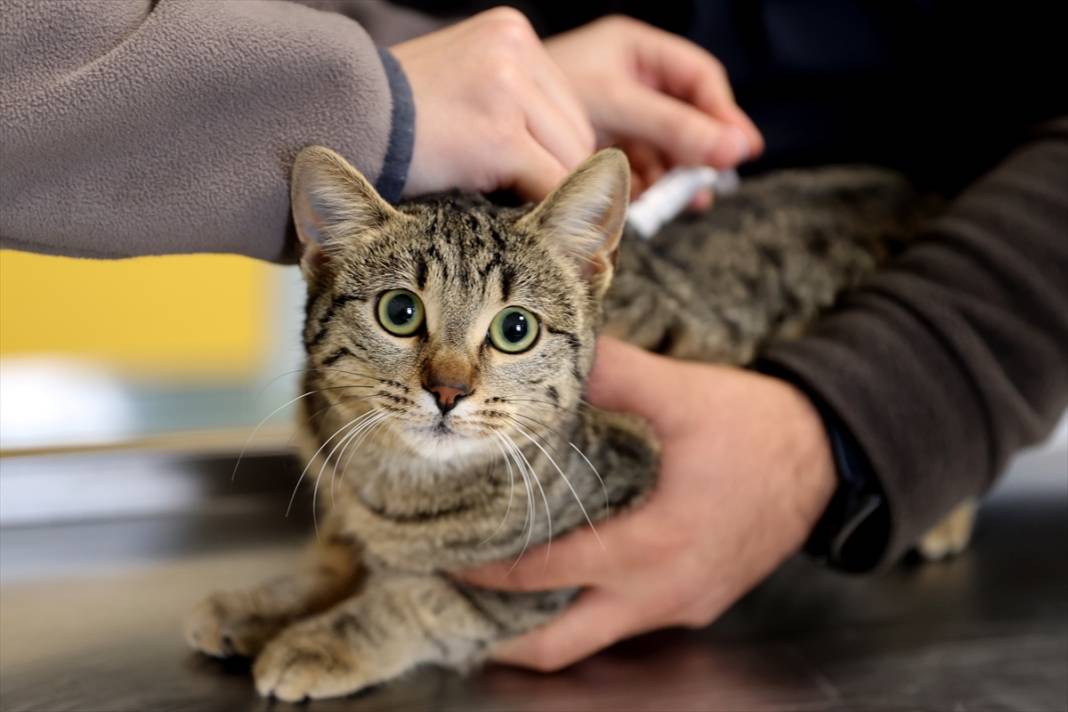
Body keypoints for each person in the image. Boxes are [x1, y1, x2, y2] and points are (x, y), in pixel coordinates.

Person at [2, 0, 1066, 673]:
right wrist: (398, 73)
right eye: (402, 318)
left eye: (509, 334)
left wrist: (880, 414)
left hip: (957, 281)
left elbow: (577, 545)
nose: (452, 381)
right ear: (327, 268)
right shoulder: (349, 393)